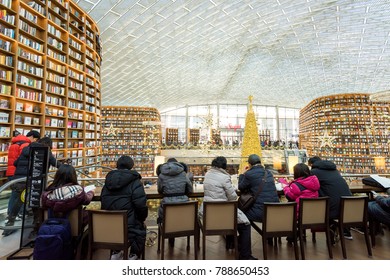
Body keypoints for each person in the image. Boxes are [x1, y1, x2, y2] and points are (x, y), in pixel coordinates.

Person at [199, 156, 256, 260]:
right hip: (223, 214)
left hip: (209, 215)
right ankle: (245, 255)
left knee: (233, 217)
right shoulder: (224, 177)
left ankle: (231, 243)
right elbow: (233, 197)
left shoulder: (207, 175)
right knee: (245, 224)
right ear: (224, 166)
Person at [3, 136, 61, 236]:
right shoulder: (45, 151)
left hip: (19, 179)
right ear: (48, 145)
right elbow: (56, 164)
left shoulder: (26, 149)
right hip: (34, 180)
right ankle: (35, 227)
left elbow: (16, 163)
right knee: (35, 201)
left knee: (18, 201)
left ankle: (9, 224)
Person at [101, 155, 148, 260]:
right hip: (129, 226)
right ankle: (133, 254)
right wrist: (142, 218)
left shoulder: (107, 183)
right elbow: (140, 205)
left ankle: (116, 251)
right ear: (131, 166)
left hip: (108, 226)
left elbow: (103, 202)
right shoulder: (135, 182)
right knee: (140, 227)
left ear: (117, 165)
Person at [308, 156, 353, 240]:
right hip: (348, 207)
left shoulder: (314, 172)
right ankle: (345, 231)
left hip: (331, 209)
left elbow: (309, 186)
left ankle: (331, 231)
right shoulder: (335, 171)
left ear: (311, 164)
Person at [157, 158, 193, 247]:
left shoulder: (161, 175)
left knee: (167, 217)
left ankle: (169, 237)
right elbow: (190, 190)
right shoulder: (184, 174)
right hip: (183, 208)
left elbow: (160, 190)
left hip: (167, 206)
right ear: (178, 164)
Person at [5, 130, 40, 219]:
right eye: (36, 139)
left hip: (11, 171)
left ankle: (11, 213)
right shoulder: (25, 145)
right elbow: (22, 160)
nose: (36, 142)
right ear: (32, 137)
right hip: (18, 173)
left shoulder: (15, 143)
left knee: (15, 194)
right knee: (19, 195)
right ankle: (14, 214)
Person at [238, 154, 279, 222]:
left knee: (239, 214)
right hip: (274, 211)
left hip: (260, 213)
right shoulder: (268, 173)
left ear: (250, 164)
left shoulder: (249, 174)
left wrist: (242, 174)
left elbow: (241, 187)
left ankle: (245, 232)